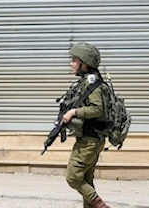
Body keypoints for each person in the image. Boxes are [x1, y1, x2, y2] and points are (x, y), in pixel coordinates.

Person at [62, 43, 111, 208]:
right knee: (86, 180)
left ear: (85, 63)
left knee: (73, 177)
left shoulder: (92, 82)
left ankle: (101, 206)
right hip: (91, 138)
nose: (71, 63)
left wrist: (73, 113)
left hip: (90, 140)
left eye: (74, 60)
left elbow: (97, 109)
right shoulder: (88, 81)